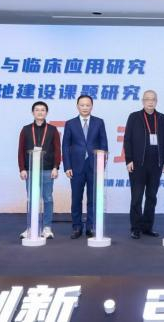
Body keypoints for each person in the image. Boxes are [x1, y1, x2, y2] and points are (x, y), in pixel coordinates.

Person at [124, 90, 164, 239]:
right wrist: (129, 160)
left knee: (151, 197)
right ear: (143, 101)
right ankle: (135, 228)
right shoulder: (134, 117)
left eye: (153, 99)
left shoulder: (162, 118)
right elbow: (127, 139)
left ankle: (147, 227)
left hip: (156, 164)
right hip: (138, 164)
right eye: (147, 99)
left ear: (156, 101)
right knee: (136, 197)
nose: (150, 102)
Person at [62, 95, 108, 239]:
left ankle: (90, 227)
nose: (85, 107)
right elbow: (65, 146)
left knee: (93, 199)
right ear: (77, 106)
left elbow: (104, 144)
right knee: (76, 198)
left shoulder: (99, 122)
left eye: (87, 105)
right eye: (82, 105)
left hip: (94, 166)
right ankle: (76, 227)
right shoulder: (70, 123)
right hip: (76, 166)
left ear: (92, 106)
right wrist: (67, 166)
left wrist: (102, 165)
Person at [18, 101, 61, 239]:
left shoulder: (52, 130)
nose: (40, 112)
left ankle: (47, 227)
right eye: (37, 110)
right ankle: (31, 227)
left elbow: (57, 150)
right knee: (32, 199)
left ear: (46, 112)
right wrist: (22, 168)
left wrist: (56, 167)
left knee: (47, 198)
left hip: (48, 170)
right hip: (30, 170)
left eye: (43, 110)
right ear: (33, 112)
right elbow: (20, 150)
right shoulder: (26, 129)